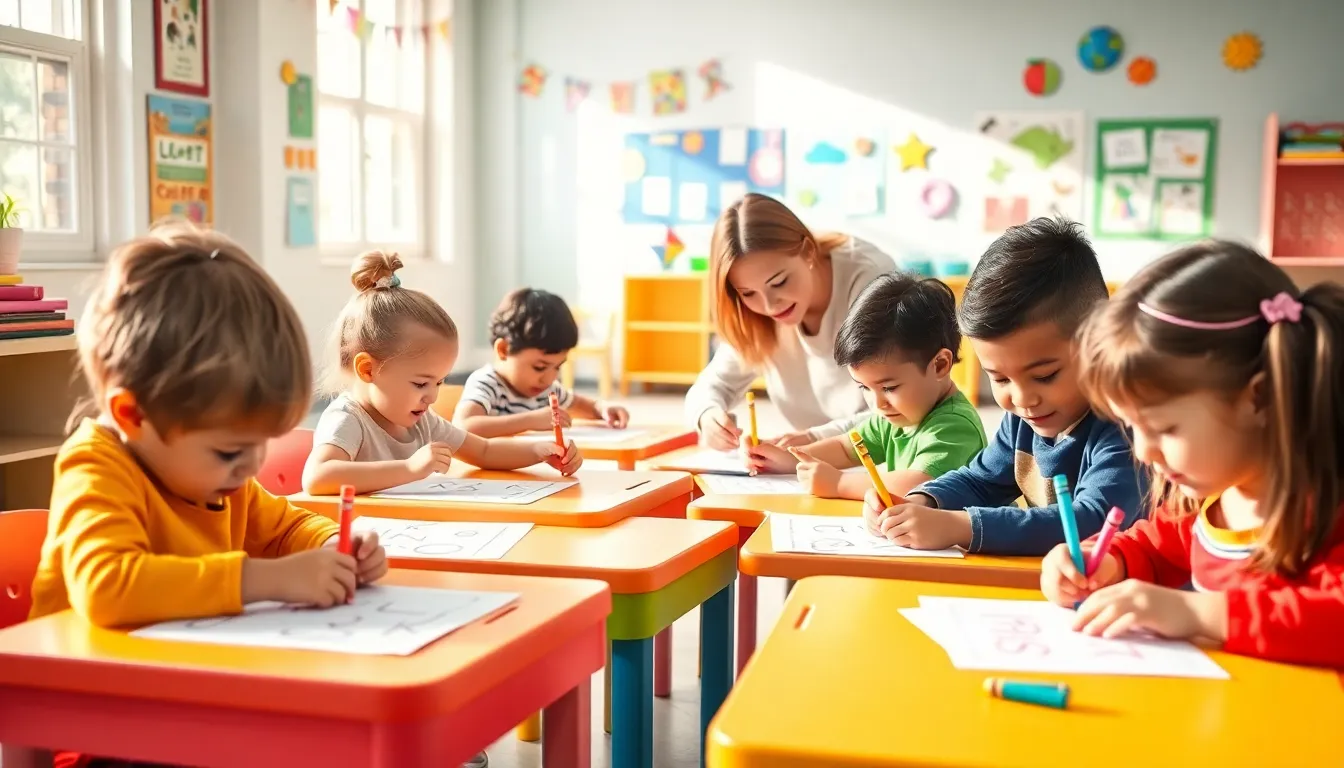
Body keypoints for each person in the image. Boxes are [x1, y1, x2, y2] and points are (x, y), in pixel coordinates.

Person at [25, 222, 389, 768]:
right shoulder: (96, 465)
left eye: (261, 444)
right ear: (133, 415)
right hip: (108, 732)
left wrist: (342, 545)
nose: (250, 467)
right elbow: (108, 586)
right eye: (228, 452)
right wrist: (265, 578)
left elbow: (286, 528)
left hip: (193, 701)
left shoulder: (227, 478)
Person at [1041, 242, 1344, 668]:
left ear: (1259, 397)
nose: (1144, 451)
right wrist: (1107, 561)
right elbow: (1153, 548)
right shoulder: (1210, 503)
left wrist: (1195, 612)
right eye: (1133, 427)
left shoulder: (1328, 514)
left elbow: (1333, 618)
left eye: (1165, 429)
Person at [863, 217, 1145, 552]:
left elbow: (1091, 521)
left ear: (1100, 342)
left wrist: (961, 527)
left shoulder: (1127, 427)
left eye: (1044, 376)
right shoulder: (1023, 420)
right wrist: (922, 501)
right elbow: (981, 481)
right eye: (999, 378)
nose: (1022, 398)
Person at [302, 253, 582, 496]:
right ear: (367, 369)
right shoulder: (349, 420)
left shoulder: (423, 423)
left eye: (439, 382)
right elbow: (317, 478)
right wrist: (409, 468)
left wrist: (539, 452)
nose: (432, 396)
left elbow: (483, 452)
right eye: (421, 383)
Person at [741, 272, 986, 499]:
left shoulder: (955, 427)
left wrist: (839, 483)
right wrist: (789, 458)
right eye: (864, 388)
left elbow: (918, 483)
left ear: (940, 365)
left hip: (964, 545)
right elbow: (845, 447)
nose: (877, 403)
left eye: (889, 388)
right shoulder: (896, 416)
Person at [685, 193, 896, 450]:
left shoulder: (870, 279)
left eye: (779, 282)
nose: (769, 305)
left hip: (882, 455)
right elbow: (711, 386)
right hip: (810, 456)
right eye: (748, 293)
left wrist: (815, 441)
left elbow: (898, 411)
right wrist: (707, 416)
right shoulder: (755, 313)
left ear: (808, 251)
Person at [453, 287, 629, 437]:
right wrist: (531, 420)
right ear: (504, 350)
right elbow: (464, 427)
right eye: (540, 367)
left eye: (558, 367)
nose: (550, 378)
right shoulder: (487, 384)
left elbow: (584, 406)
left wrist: (603, 409)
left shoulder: (546, 390)